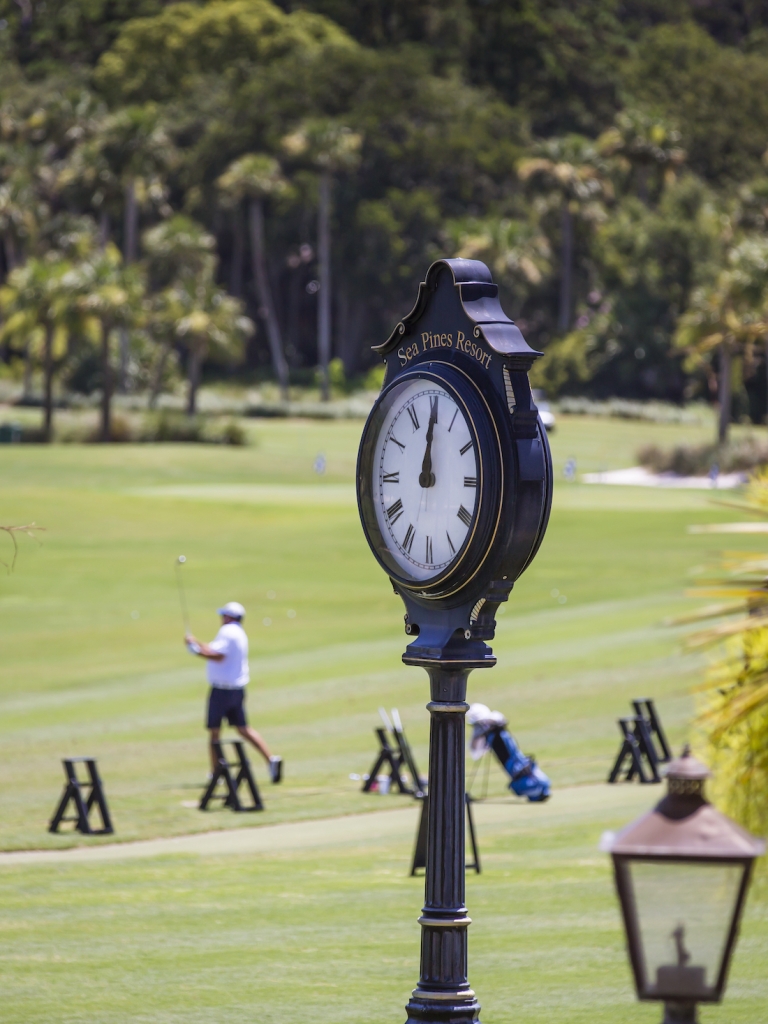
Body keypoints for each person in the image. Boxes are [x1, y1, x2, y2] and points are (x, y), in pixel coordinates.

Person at [185, 601, 282, 783]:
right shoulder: (239, 633)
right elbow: (214, 648)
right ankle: (271, 760)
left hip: (221, 690)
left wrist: (195, 652)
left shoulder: (228, 632)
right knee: (243, 729)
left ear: (229, 617)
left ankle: (216, 773)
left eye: (223, 615)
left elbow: (217, 656)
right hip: (237, 690)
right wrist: (196, 643)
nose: (221, 618)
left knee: (214, 732)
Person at [466, 703, 550, 802]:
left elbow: (475, 751)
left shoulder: (496, 727)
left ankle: (536, 791)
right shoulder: (496, 727)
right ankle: (536, 791)